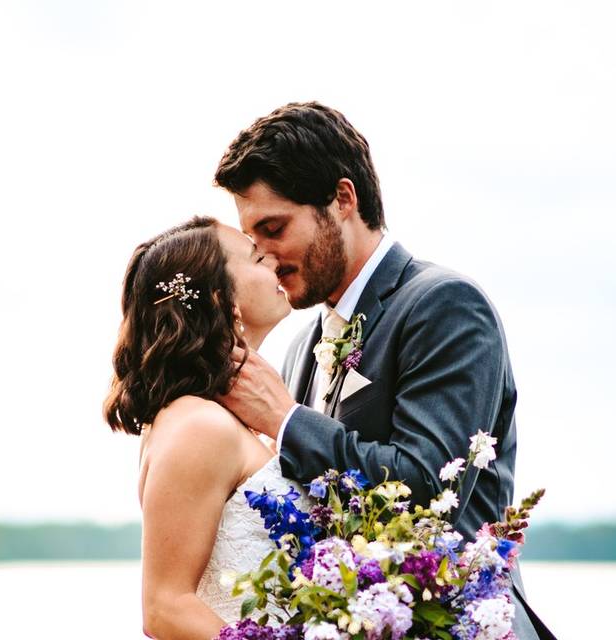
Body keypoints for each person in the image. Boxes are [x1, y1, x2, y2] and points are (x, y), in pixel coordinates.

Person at [214, 102, 553, 640]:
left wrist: (285, 420)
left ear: (342, 199)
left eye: (274, 228)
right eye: (253, 241)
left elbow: (424, 486)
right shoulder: (304, 346)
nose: (266, 257)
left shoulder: (445, 305)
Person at [103, 216, 307, 639]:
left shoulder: (219, 420)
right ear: (220, 297)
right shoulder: (200, 426)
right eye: (256, 256)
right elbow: (165, 608)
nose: (274, 260)